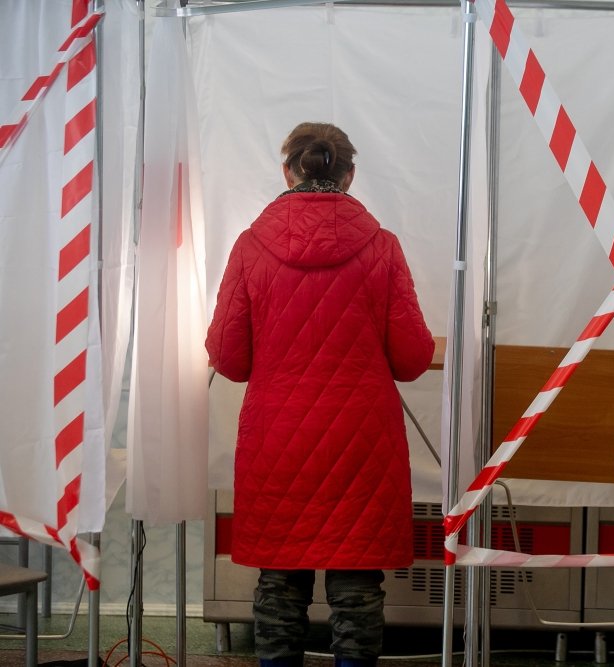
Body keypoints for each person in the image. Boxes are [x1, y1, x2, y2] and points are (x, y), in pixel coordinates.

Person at [206, 122, 435, 667]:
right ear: (350, 176)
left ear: (287, 171)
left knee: (280, 577)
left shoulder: (250, 246)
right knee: (357, 580)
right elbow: (412, 358)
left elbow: (230, 358)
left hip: (277, 438)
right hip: (361, 439)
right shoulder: (381, 247)